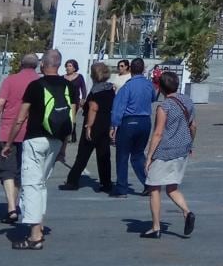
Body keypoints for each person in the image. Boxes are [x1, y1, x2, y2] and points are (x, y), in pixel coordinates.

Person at [2, 49, 78, 249]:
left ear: (43, 64)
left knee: (32, 185)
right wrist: (63, 147)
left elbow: (20, 118)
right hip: (55, 140)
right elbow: (71, 119)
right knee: (41, 184)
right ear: (60, 65)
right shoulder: (69, 86)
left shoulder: (35, 86)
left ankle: (35, 236)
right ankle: (39, 225)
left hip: (35, 139)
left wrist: (9, 143)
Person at [0, 53, 40, 224]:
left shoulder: (10, 80)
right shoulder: (40, 81)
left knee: (7, 169)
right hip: (33, 132)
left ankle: (11, 207)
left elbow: (0, 103)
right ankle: (17, 205)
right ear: (36, 66)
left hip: (9, 131)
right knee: (22, 171)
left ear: (21, 65)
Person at [141, 69, 196, 239]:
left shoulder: (164, 107)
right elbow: (193, 126)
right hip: (182, 149)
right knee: (172, 187)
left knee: (154, 187)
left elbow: (158, 133)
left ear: (161, 88)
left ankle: (156, 226)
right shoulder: (188, 101)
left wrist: (149, 157)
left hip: (165, 151)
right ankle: (187, 212)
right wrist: (190, 143)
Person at [61, 61, 114, 192]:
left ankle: (72, 181)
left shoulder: (96, 90)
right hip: (105, 123)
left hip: (94, 124)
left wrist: (88, 126)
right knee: (104, 155)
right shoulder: (110, 89)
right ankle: (106, 183)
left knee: (83, 154)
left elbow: (93, 108)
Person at [110, 57, 155, 197]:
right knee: (138, 154)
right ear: (143, 69)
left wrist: (114, 125)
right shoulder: (149, 85)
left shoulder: (127, 86)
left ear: (130, 69)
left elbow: (118, 107)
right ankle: (148, 184)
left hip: (129, 121)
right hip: (145, 121)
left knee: (122, 155)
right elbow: (153, 98)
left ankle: (122, 188)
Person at [56, 60, 87, 165]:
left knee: (71, 118)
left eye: (70, 66)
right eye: (67, 66)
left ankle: (70, 135)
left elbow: (83, 88)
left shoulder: (79, 77)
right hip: (64, 101)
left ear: (74, 67)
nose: (68, 68)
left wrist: (83, 99)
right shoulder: (62, 78)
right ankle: (66, 135)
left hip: (75, 102)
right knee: (65, 119)